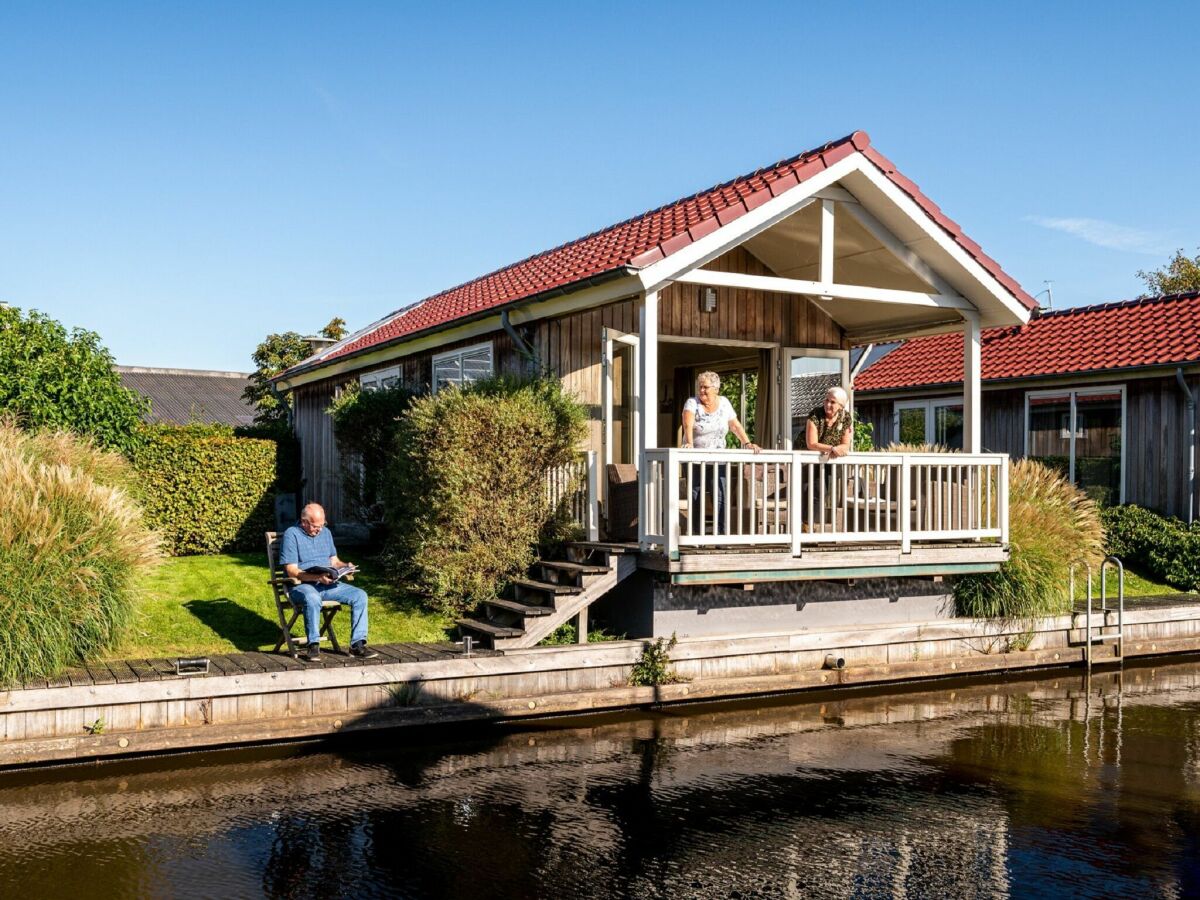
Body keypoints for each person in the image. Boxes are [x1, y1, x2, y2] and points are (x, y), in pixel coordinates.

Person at [279, 503, 378, 662]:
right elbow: (291, 570)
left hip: (327, 584)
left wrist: (345, 566)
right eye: (315, 526)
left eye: (322, 525)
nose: (320, 529)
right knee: (312, 598)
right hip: (302, 586)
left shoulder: (325, 533)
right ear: (304, 522)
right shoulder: (292, 534)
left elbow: (334, 561)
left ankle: (357, 645)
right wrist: (316, 578)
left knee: (360, 595)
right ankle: (313, 644)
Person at [681, 371, 759, 534]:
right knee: (696, 496)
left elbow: (735, 425)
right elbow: (688, 424)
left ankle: (721, 534)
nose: (701, 390)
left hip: (718, 459)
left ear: (716, 388)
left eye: (705, 387)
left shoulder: (724, 403)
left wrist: (748, 443)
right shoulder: (692, 403)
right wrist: (689, 443)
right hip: (695, 460)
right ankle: (696, 534)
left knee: (720, 496)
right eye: (700, 387)